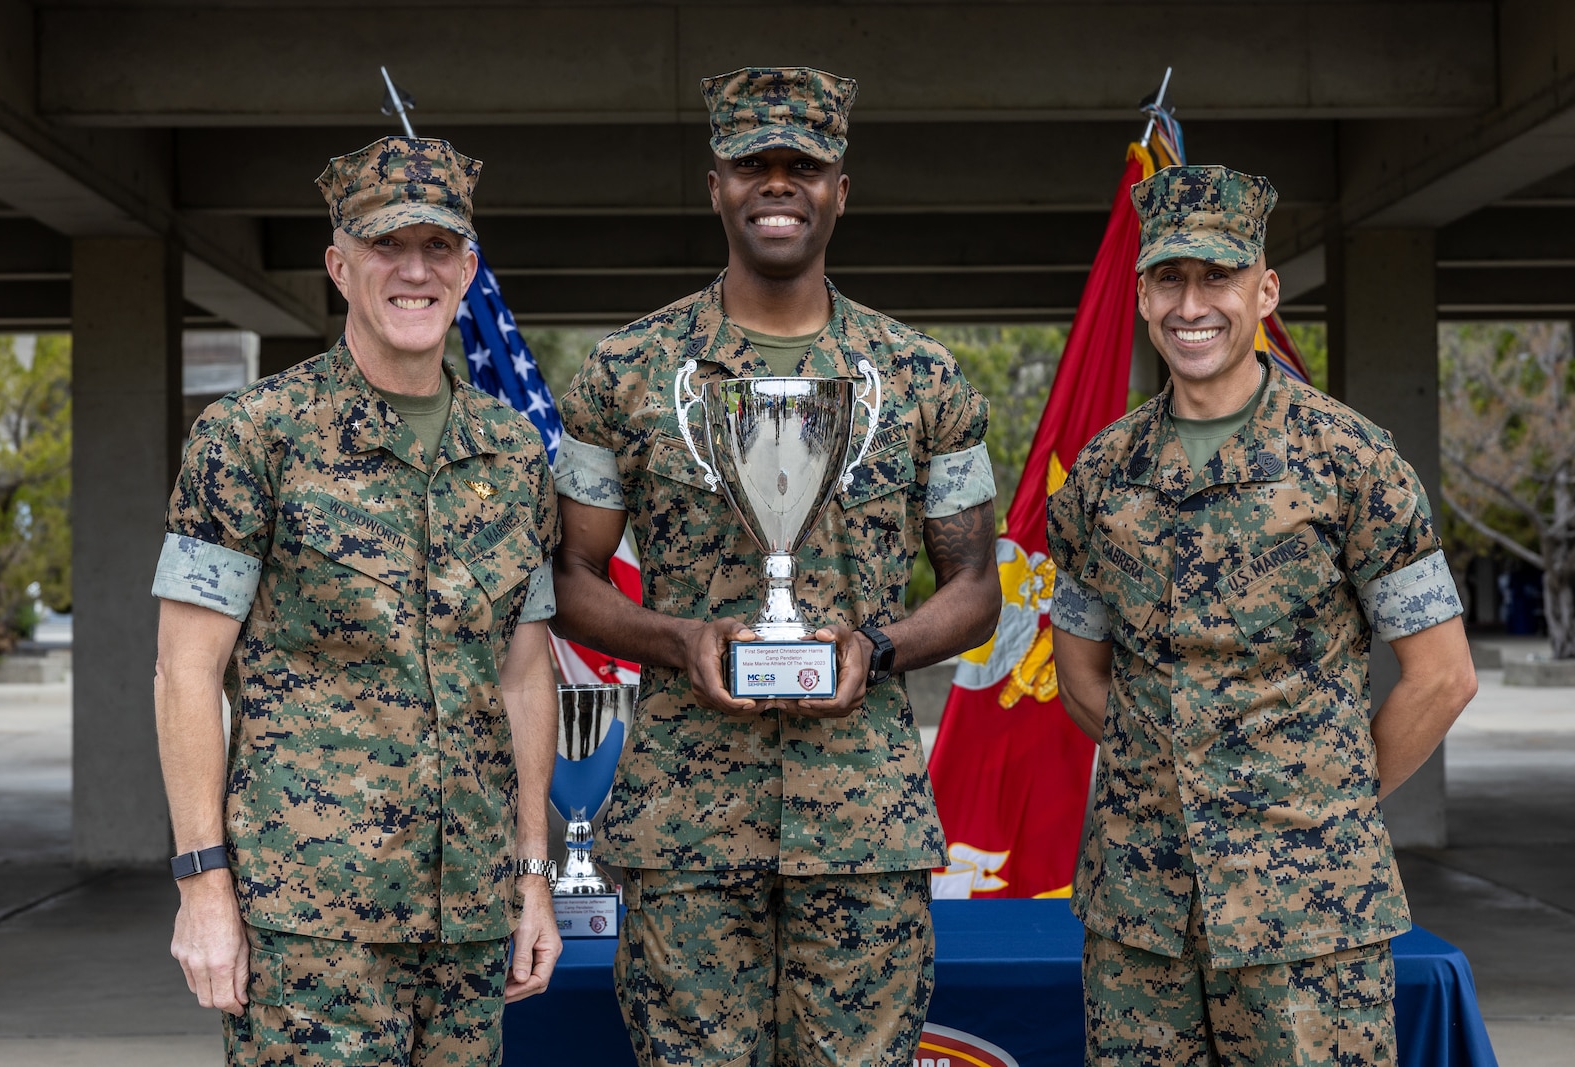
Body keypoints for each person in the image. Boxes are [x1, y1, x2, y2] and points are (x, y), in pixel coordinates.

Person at [550, 66, 1000, 1066]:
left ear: (842, 188)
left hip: (863, 828)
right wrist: (678, 638)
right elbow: (568, 577)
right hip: (684, 823)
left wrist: (875, 648)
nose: (778, 184)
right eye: (754, 163)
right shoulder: (626, 372)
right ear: (714, 184)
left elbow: (974, 590)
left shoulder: (920, 377)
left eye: (805, 165)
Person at [1047, 164, 1479, 1065]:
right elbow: (1081, 673)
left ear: (1264, 288)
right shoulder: (1098, 475)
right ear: (1140, 295)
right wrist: (1172, 785)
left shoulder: (1351, 461)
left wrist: (1324, 805)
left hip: (1308, 917)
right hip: (1140, 916)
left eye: (1218, 275)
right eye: (1170, 277)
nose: (1191, 302)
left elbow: (1441, 676)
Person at [151, 136, 562, 1066]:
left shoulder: (512, 453)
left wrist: (533, 873)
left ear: (467, 267)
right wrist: (202, 884)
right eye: (387, 246)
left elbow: (524, 674)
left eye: (438, 246)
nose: (413, 270)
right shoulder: (250, 437)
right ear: (340, 266)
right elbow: (185, 672)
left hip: (468, 921)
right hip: (310, 920)